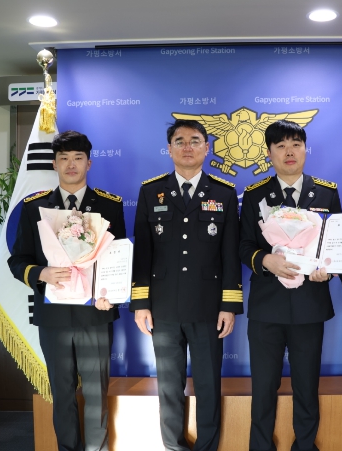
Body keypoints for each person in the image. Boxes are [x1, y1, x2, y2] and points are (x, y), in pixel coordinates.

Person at [8, 130, 126, 451]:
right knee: (62, 394)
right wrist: (41, 273)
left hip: (95, 315)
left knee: (96, 394)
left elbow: (118, 259)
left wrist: (111, 293)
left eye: (77, 158)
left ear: (89, 163)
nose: (71, 164)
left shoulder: (110, 206)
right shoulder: (34, 207)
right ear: (54, 164)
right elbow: (18, 260)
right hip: (53, 317)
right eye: (64, 158)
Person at [130, 119, 243, 451]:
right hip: (163, 308)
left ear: (207, 148)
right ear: (169, 149)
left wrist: (229, 305)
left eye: (195, 141)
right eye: (180, 141)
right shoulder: (150, 191)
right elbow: (142, 252)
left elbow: (230, 254)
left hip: (208, 308)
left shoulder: (224, 192)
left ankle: (207, 446)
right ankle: (173, 446)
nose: (188, 147)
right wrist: (141, 303)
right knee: (168, 386)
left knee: (208, 385)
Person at [239, 120, 342, 451]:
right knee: (263, 387)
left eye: (296, 144)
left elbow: (336, 245)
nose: (289, 152)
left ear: (305, 150)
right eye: (281, 145)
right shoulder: (255, 195)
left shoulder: (326, 193)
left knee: (306, 386)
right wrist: (265, 260)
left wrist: (328, 270)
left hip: (309, 304)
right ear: (269, 153)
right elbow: (243, 245)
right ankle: (260, 446)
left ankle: (306, 446)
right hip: (266, 307)